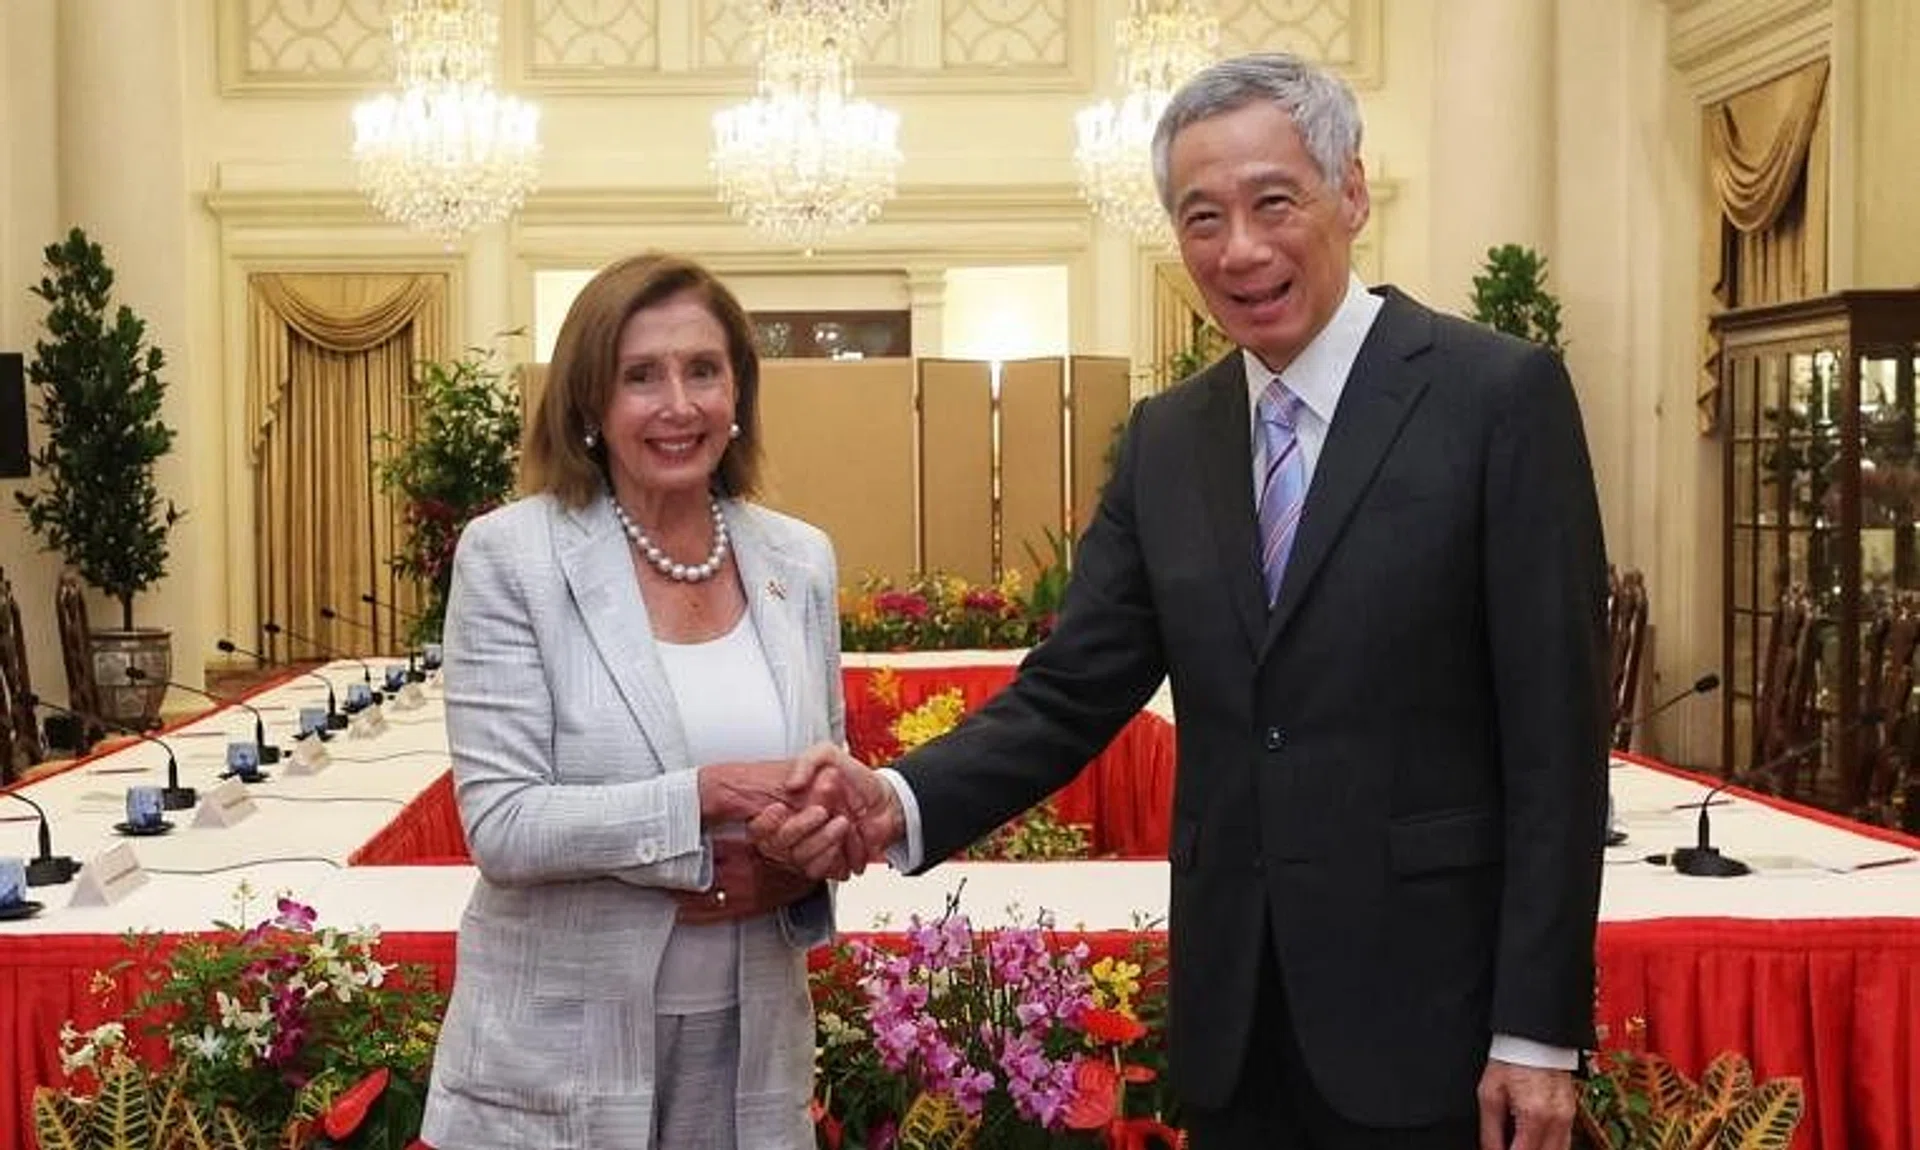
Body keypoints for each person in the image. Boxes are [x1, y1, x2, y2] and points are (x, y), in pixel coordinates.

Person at [754, 52, 1608, 1150]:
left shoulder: (1497, 396)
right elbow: (1072, 688)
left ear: (1351, 192)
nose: (1238, 248)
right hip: (1234, 1023)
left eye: (1273, 202)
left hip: (1435, 1018)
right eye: (1202, 216)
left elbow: (1558, 740)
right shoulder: (1170, 437)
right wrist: (894, 799)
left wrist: (1537, 1033)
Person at [421, 253, 841, 1149]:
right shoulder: (510, 559)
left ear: (740, 392)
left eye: (704, 370)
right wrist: (706, 799)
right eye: (640, 376)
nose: (679, 404)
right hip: (560, 1053)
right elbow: (502, 823)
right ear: (588, 402)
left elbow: (821, 778)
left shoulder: (799, 560)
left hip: (749, 1044)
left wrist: (813, 849)